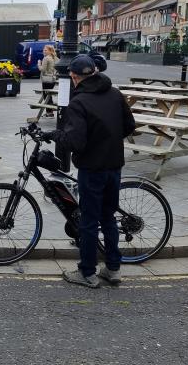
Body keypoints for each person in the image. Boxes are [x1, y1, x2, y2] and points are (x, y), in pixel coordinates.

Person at [42, 55, 136, 288]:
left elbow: (75, 142)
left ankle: (87, 272)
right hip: (114, 165)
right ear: (94, 72)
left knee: (89, 221)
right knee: (108, 218)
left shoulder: (79, 102)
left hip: (92, 168)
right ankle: (113, 269)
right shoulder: (115, 93)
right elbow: (130, 126)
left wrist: (55, 135)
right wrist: (109, 140)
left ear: (74, 78)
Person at [38, 44, 58, 117]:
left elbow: (42, 69)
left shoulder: (46, 58)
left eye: (46, 50)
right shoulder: (55, 58)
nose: (44, 51)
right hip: (53, 79)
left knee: (46, 95)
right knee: (49, 95)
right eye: (44, 50)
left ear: (50, 51)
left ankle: (49, 113)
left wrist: (39, 64)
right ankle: (50, 111)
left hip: (46, 79)